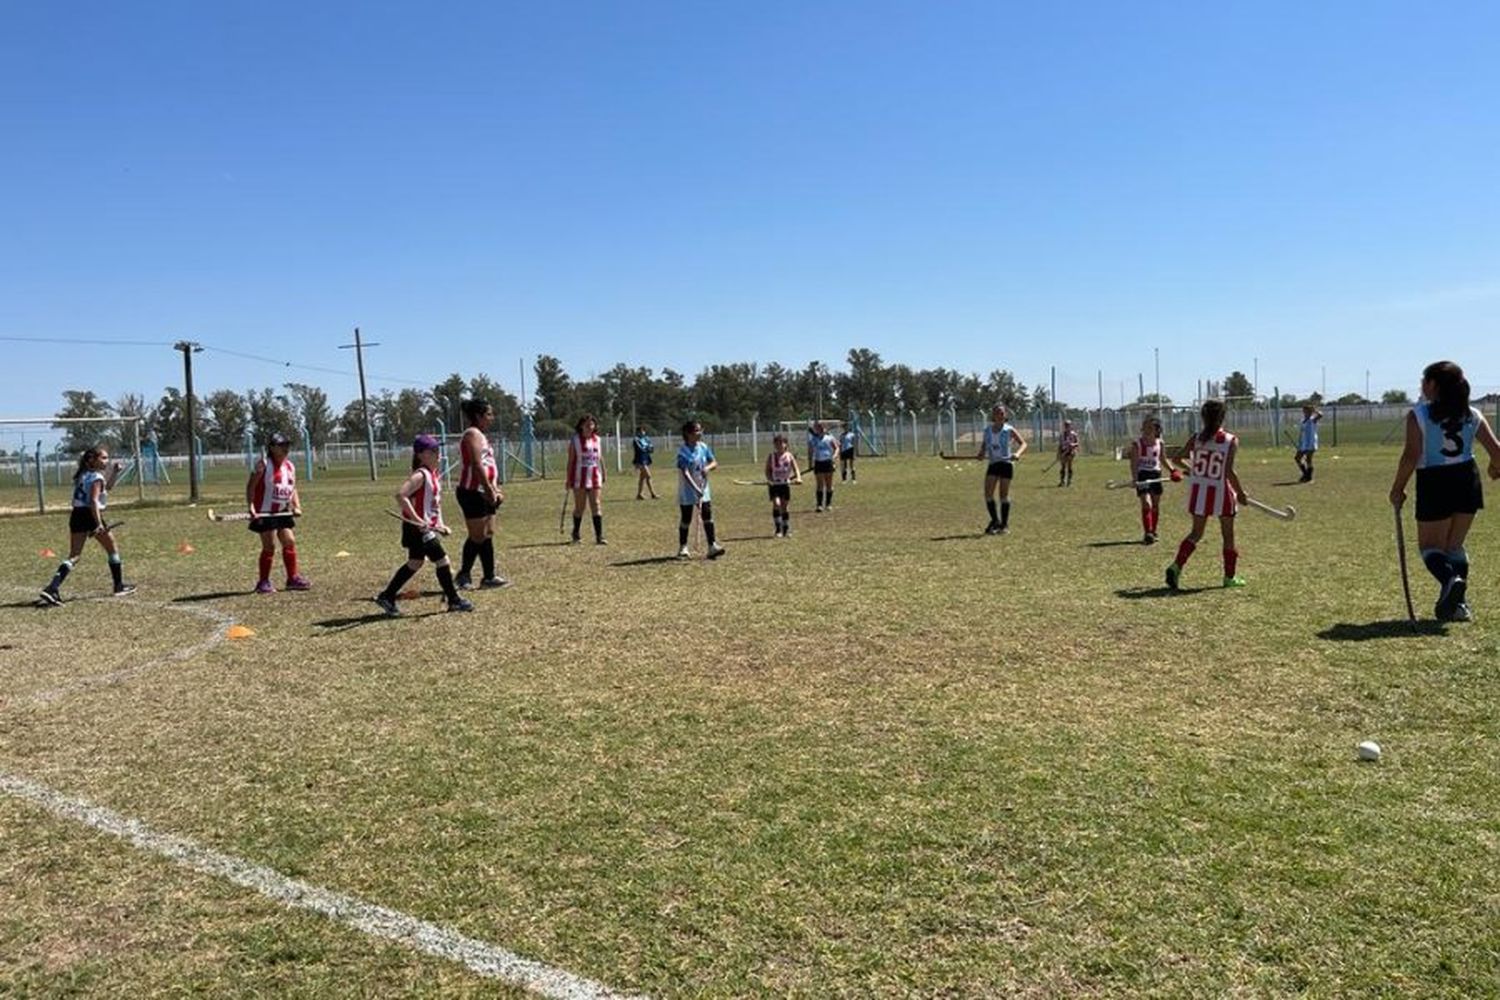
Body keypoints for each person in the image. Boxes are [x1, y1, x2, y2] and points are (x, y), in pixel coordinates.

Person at [1389, 360, 1500, 622]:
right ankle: (1458, 606)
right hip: (1467, 479)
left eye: (1424, 380)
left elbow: (1410, 456)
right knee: (1454, 545)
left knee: (1430, 547)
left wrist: (1397, 489)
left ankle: (1451, 581)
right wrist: (1495, 469)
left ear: (1433, 385)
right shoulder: (1472, 414)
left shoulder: (1419, 415)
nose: (1421, 385)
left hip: (1435, 481)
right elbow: (1497, 452)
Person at [374, 435, 473, 616]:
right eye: (433, 450)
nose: (438, 454)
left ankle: (387, 596)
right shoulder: (421, 475)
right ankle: (454, 600)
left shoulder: (434, 476)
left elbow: (435, 505)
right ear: (422, 455)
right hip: (417, 528)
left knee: (415, 562)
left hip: (425, 527)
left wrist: (441, 524)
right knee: (442, 561)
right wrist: (418, 519)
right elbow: (401, 495)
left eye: (438, 450)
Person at [1165, 399, 1248, 590]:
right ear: (1223, 417)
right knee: (1228, 536)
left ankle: (1176, 566)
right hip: (1222, 492)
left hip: (1200, 491)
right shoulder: (1230, 440)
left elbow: (1176, 459)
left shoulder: (1196, 439)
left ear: (1202, 417)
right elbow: (1228, 472)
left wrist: (1193, 470)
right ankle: (1229, 577)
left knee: (1196, 533)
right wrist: (1240, 493)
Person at [38, 445, 134, 604]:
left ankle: (52, 588)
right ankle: (118, 586)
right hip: (90, 514)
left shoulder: (83, 475)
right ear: (92, 460)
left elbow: (107, 488)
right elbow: (94, 502)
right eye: (103, 458)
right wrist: (98, 524)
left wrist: (115, 472)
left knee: (74, 556)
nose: (106, 461)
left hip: (76, 515)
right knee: (112, 549)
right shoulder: (96, 477)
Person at [246, 432, 309, 594]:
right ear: (272, 448)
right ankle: (263, 582)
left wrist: (297, 505)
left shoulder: (290, 466)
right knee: (269, 546)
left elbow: (292, 487)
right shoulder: (263, 465)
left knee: (289, 541)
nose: (286, 448)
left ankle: (292, 578)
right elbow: (251, 487)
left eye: (287, 445)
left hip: (282, 511)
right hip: (265, 512)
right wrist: (251, 507)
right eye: (282, 445)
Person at [454, 398, 508, 590]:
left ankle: (489, 576)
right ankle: (463, 574)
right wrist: (487, 489)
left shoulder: (482, 435)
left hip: (485, 491)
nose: (492, 418)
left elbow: (487, 465)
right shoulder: (472, 434)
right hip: (472, 492)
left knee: (488, 533)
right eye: (489, 414)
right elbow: (477, 465)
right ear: (478, 416)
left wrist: (495, 489)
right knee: (477, 536)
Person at [973, 405, 1028, 534]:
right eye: (997, 413)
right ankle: (995, 521)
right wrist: (981, 453)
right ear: (993, 415)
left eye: (1002, 413)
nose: (1000, 415)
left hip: (1006, 464)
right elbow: (984, 445)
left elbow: (1024, 444)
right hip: (993, 464)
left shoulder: (1009, 430)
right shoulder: (987, 430)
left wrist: (1017, 454)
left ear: (1005, 415)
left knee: (1003, 495)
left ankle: (1004, 525)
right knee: (988, 494)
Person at [1128, 415, 1181, 544]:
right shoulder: (1137, 444)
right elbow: (1134, 463)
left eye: (1151, 428)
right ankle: (1148, 533)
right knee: (1147, 503)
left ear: (1156, 430)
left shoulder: (1160, 443)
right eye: (1145, 427)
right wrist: (1135, 479)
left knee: (1156, 505)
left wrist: (1173, 470)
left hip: (1156, 475)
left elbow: (1163, 459)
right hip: (1143, 475)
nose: (1147, 430)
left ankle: (1153, 530)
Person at [677, 420, 725, 559]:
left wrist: (707, 468)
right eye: (697, 431)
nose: (700, 433)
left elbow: (714, 462)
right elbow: (685, 472)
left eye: (700, 430)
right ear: (688, 433)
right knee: (686, 518)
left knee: (707, 515)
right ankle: (683, 547)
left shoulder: (703, 447)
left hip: (704, 488)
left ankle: (712, 546)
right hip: (687, 490)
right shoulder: (683, 451)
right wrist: (695, 488)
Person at [566, 414, 606, 544]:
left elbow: (600, 457)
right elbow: (571, 461)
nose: (589, 427)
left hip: (595, 476)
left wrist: (604, 472)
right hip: (579, 478)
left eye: (592, 424)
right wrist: (568, 479)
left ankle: (599, 536)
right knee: (580, 507)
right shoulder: (575, 440)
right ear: (581, 426)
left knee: (596, 504)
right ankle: (576, 533)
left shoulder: (598, 440)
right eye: (587, 424)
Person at [765, 432, 803, 537]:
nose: (779, 445)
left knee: (784, 507)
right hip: (774, 484)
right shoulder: (771, 456)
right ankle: (778, 529)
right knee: (776, 504)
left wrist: (798, 478)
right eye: (777, 443)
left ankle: (785, 528)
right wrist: (769, 479)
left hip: (785, 484)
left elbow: (796, 469)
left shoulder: (789, 456)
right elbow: (767, 471)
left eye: (781, 443)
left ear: (785, 444)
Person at [807, 420, 840, 512]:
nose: (820, 429)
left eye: (822, 427)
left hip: (828, 462)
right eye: (818, 427)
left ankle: (828, 504)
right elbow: (810, 452)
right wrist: (810, 464)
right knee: (820, 485)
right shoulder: (813, 439)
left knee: (829, 484)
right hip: (818, 462)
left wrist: (834, 456)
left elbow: (837, 448)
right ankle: (819, 505)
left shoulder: (829, 438)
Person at [1294, 403, 1323, 482]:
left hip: (1311, 443)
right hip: (1303, 443)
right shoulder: (1303, 421)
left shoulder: (1312, 419)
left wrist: (1315, 411)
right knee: (1297, 458)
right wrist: (1299, 442)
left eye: (1306, 411)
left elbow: (1320, 415)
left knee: (1308, 459)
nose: (1304, 412)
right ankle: (1305, 474)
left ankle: (1308, 476)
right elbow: (1301, 432)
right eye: (1304, 411)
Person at [632, 426, 659, 499]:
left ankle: (639, 494)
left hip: (646, 458)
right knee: (648, 476)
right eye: (640, 431)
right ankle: (653, 493)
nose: (642, 432)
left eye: (643, 431)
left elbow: (651, 447)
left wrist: (649, 448)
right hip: (640, 460)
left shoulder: (646, 438)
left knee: (642, 477)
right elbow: (640, 448)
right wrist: (648, 448)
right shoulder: (636, 439)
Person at [1057, 419, 1080, 487]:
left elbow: (1077, 443)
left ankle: (1069, 481)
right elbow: (1060, 445)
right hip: (1063, 452)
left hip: (1071, 452)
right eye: (1066, 425)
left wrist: (1073, 445)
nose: (1067, 427)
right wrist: (1058, 453)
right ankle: (1062, 481)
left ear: (1070, 426)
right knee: (1063, 467)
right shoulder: (1062, 435)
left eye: (1068, 425)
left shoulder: (1074, 434)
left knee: (1069, 466)